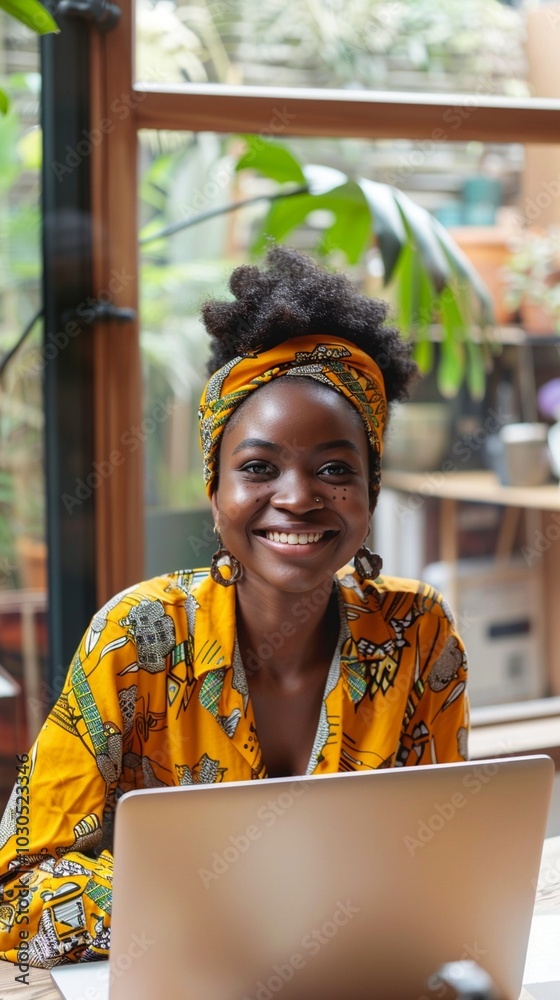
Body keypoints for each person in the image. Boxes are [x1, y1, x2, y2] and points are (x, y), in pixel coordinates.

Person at [0, 245, 469, 967]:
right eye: (258, 467)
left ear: (372, 492)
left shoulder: (416, 632)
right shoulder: (138, 636)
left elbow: (447, 860)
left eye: (336, 469)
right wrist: (207, 905)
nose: (297, 495)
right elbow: (14, 890)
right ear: (214, 490)